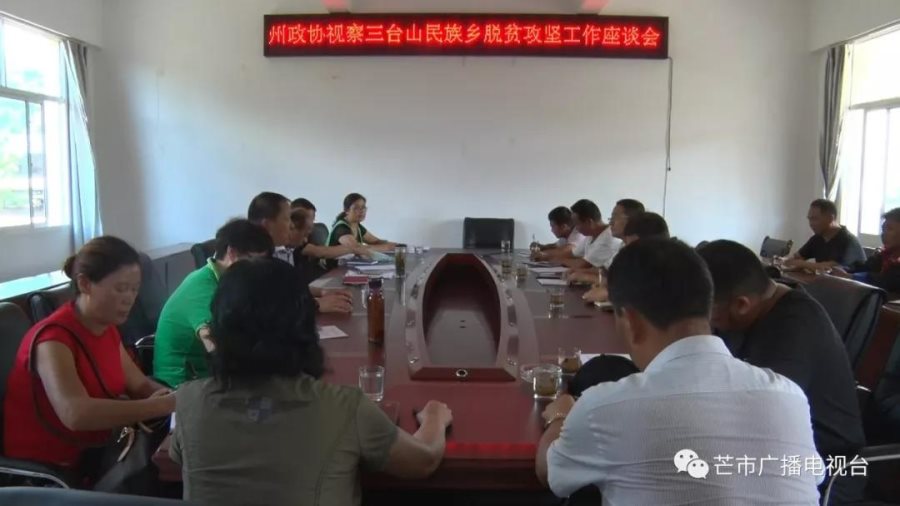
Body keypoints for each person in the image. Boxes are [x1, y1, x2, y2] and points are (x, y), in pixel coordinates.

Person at [536, 239, 822, 504]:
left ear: (631, 322)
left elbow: (549, 472)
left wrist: (560, 416)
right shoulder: (789, 395)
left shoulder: (603, 408)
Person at [171, 258, 453, 506]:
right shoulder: (345, 408)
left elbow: (181, 459)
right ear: (304, 324)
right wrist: (435, 419)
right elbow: (423, 460)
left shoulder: (188, 403)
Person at [4, 237, 174, 471]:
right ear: (85, 284)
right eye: (120, 288)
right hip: (55, 468)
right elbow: (75, 414)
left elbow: (139, 385)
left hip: (103, 450)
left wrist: (180, 398)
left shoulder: (106, 327)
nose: (130, 298)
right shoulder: (52, 339)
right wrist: (162, 405)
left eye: (134, 289)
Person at [697, 240, 865, 463]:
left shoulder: (794, 327)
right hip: (772, 447)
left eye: (708, 313)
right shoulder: (750, 311)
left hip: (826, 462)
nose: (706, 321)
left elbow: (760, 417)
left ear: (742, 305)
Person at [153, 219, 274, 388]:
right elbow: (215, 346)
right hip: (182, 384)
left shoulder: (231, 282)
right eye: (254, 260)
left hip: (207, 376)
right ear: (232, 253)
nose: (258, 269)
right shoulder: (201, 286)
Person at [248, 191, 353, 313]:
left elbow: (287, 290)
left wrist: (321, 292)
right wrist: (316, 305)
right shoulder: (252, 261)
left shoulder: (274, 253)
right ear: (267, 225)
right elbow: (269, 308)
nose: (292, 226)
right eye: (287, 219)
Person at [582, 212, 669, 303]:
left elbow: (658, 295)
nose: (630, 253)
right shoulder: (649, 259)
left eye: (632, 247)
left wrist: (610, 294)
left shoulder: (670, 263)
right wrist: (608, 286)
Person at [290, 198, 373, 271]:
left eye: (313, 220)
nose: (311, 225)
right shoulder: (341, 228)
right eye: (306, 220)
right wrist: (353, 248)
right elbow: (321, 252)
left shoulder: (358, 227)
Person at [830, 207, 900, 293]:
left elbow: (888, 281)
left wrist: (851, 277)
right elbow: (865, 267)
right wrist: (843, 269)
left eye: (889, 229)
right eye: (883, 229)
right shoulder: (883, 255)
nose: (883, 234)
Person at [785, 199, 866, 271]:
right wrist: (784, 261)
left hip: (849, 283)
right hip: (826, 282)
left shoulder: (847, 240)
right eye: (809, 219)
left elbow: (831, 268)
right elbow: (797, 258)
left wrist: (801, 264)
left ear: (830, 218)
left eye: (815, 219)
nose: (811, 224)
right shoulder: (817, 238)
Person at [554, 200, 621, 280]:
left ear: (589, 222)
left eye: (577, 224)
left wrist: (559, 260)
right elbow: (573, 254)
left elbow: (583, 264)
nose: (576, 229)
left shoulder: (608, 238)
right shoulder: (591, 235)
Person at [327, 193, 396, 253]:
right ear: (346, 210)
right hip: (335, 264)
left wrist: (398, 246)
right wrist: (387, 248)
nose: (362, 211)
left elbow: (376, 241)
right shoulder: (341, 228)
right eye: (356, 208)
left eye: (363, 207)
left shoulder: (357, 226)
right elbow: (356, 248)